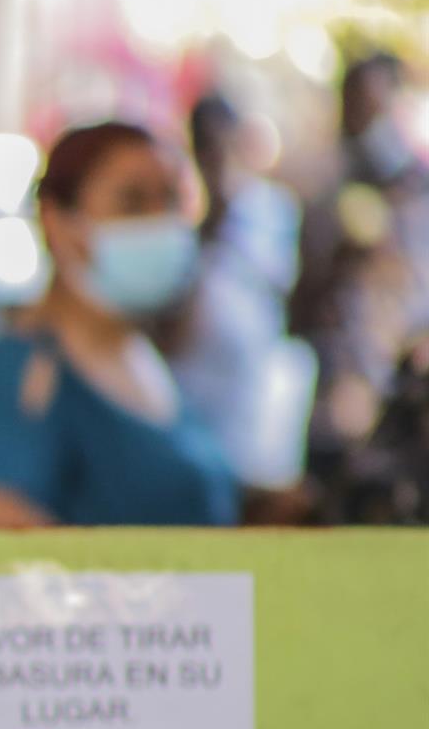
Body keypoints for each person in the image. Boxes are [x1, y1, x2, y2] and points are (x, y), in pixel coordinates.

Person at [0, 121, 238, 526]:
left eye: (169, 200)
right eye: (131, 202)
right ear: (58, 222)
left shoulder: (146, 362)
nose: (158, 221)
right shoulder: (17, 377)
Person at [290, 53, 429, 518]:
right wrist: (332, 270)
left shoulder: (420, 198)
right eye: (351, 108)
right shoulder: (324, 198)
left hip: (405, 422)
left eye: (370, 106)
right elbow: (295, 317)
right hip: (332, 421)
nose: (359, 121)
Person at [162, 95, 310, 500]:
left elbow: (286, 291)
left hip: (252, 393)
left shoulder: (271, 208)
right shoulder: (180, 213)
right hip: (194, 390)